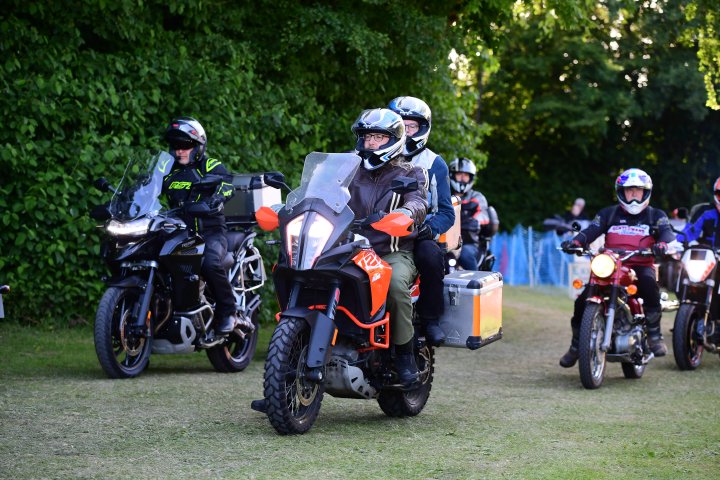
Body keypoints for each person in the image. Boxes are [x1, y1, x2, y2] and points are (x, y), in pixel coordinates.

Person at [559, 168, 675, 367]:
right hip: (610, 265)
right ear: (621, 192)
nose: (633, 196)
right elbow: (591, 231)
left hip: (639, 265)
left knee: (648, 283)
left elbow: (667, 234)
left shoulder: (656, 215)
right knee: (582, 300)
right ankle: (576, 346)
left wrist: (662, 245)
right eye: (629, 191)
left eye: (637, 191)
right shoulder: (608, 213)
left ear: (645, 192)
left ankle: (654, 336)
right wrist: (576, 242)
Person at [349, 108, 428, 388]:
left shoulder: (410, 172)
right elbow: (320, 192)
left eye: (378, 137)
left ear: (393, 139)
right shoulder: (348, 169)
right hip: (349, 248)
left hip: (391, 251)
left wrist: (407, 213)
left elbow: (418, 201)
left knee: (394, 284)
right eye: (368, 137)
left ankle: (405, 356)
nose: (371, 143)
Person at [162, 116, 248, 336]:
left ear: (198, 146)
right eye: (175, 146)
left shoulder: (210, 165)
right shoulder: (168, 171)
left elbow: (228, 184)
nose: (180, 151)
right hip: (180, 233)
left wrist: (217, 198)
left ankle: (230, 312)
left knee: (209, 263)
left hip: (210, 233)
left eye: (186, 146)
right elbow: (148, 187)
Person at [388, 96, 454, 345]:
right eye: (400, 125)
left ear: (422, 129)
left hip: (415, 234)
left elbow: (447, 212)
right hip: (377, 232)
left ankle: (430, 319)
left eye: (411, 126)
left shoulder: (433, 163)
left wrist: (428, 228)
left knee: (430, 255)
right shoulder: (369, 155)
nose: (406, 131)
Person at [449, 157, 499, 271]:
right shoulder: (445, 195)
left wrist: (475, 221)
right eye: (459, 174)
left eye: (466, 175)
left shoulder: (477, 197)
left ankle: (474, 283)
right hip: (445, 243)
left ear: (470, 178)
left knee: (465, 255)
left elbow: (484, 214)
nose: (462, 178)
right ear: (452, 175)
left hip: (470, 243)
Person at [676, 176, 720, 248]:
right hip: (708, 256)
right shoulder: (705, 211)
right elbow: (690, 231)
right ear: (715, 194)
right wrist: (673, 242)